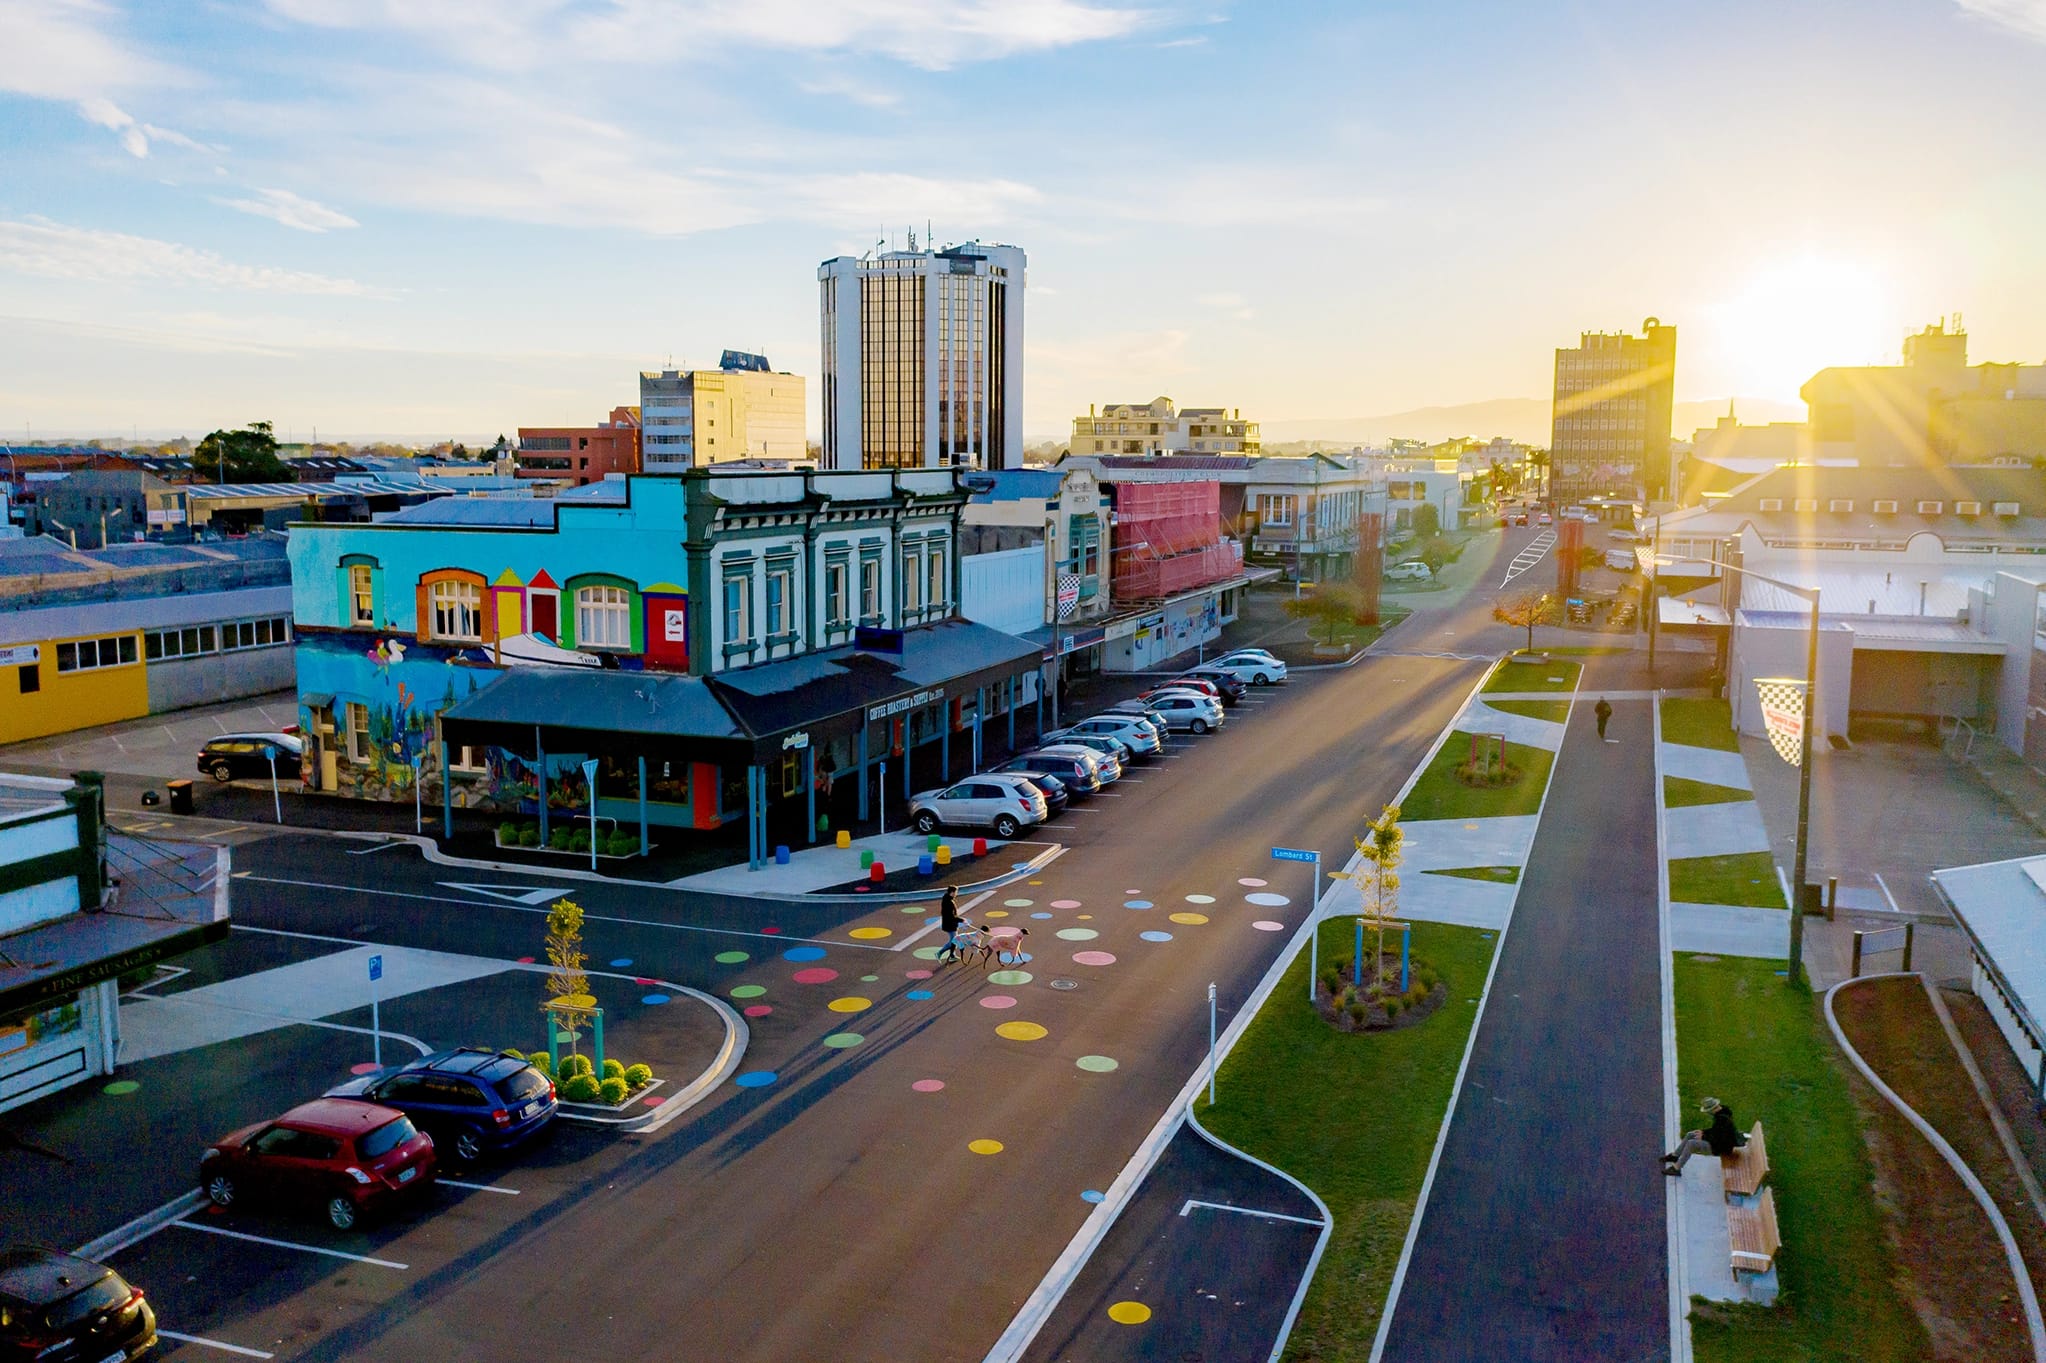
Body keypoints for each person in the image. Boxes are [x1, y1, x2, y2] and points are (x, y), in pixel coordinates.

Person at [1664, 1096, 1746, 1174]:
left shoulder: (1723, 1120)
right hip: (1719, 1143)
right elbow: (1717, 1131)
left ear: (1712, 1109)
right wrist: (1703, 1132)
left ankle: (1677, 1168)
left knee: (1691, 1144)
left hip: (1721, 1148)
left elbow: (1719, 1138)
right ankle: (1675, 1156)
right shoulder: (1723, 1113)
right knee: (1691, 1134)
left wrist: (1703, 1136)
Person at [936, 887, 962, 963]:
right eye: (956, 892)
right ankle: (939, 953)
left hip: (949, 924)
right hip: (950, 924)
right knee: (954, 941)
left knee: (954, 940)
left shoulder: (946, 899)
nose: (956, 894)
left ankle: (952, 955)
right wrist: (961, 920)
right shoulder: (949, 902)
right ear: (952, 892)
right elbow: (951, 916)